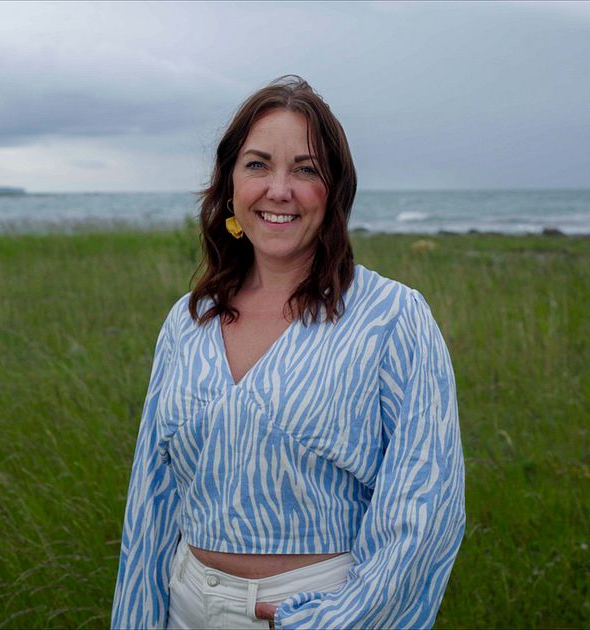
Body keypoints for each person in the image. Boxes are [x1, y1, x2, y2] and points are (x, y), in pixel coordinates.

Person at [110, 75, 465, 630]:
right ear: (230, 182)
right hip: (185, 605)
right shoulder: (188, 320)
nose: (279, 190)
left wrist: (336, 619)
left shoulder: (392, 317)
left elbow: (425, 507)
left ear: (335, 190)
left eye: (306, 169)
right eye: (258, 165)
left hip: (316, 611)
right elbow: (151, 499)